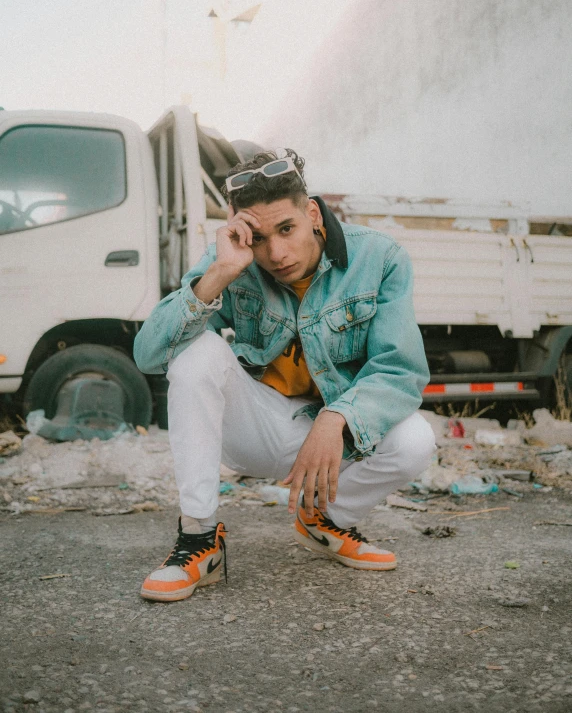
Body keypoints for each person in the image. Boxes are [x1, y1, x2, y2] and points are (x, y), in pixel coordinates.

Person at [133, 149, 435, 602]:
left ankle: (322, 519)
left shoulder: (379, 257)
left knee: (416, 440)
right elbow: (148, 354)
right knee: (196, 354)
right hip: (257, 427)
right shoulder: (233, 262)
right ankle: (199, 539)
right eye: (258, 237)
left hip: (333, 436)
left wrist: (336, 419)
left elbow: (400, 370)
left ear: (312, 213)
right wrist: (219, 273)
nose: (275, 253)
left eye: (287, 229)